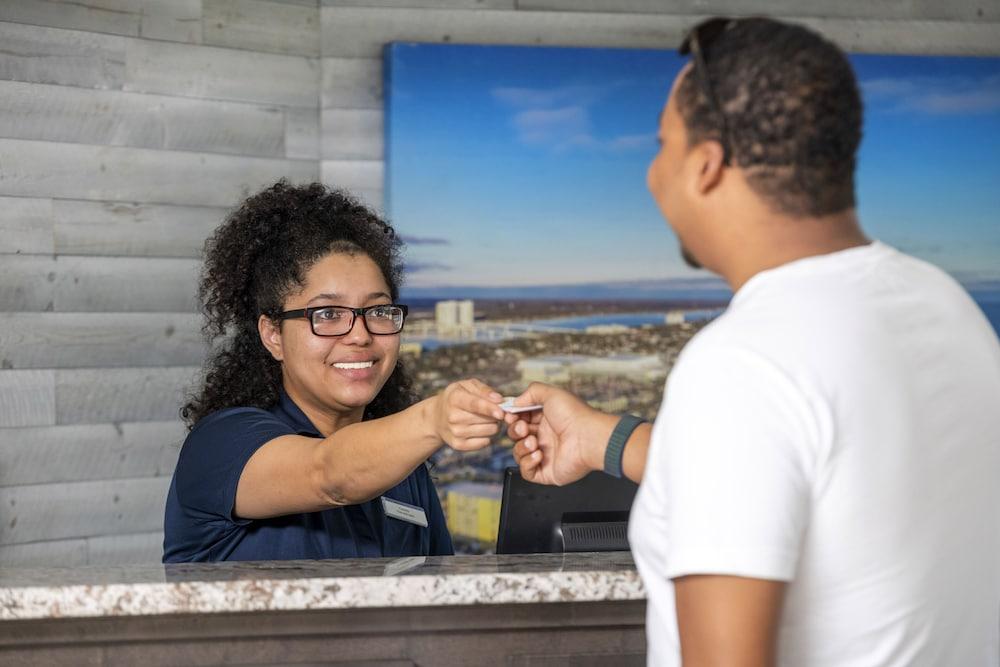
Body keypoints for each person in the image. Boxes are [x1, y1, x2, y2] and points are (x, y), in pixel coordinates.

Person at [505, 17, 1000, 666]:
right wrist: (599, 438)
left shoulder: (742, 363)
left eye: (662, 145)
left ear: (706, 166)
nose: (653, 175)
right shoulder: (947, 307)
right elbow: (814, 473)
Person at [163, 181, 506, 562]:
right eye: (327, 314)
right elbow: (328, 474)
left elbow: (440, 595)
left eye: (377, 311)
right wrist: (433, 417)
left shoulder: (404, 470)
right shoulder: (222, 445)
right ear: (273, 334)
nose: (360, 335)